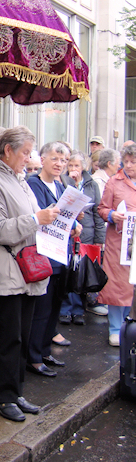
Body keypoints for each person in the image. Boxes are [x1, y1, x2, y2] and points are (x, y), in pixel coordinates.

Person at [0, 127, 60, 422]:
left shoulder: (20, 180)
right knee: (9, 339)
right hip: (7, 271)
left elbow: (32, 220)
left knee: (22, 335)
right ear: (8, 151)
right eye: (25, 153)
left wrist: (53, 217)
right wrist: (36, 219)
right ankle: (3, 397)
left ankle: (15, 391)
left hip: (27, 270)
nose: (28, 158)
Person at [26, 142, 81, 377]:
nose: (59, 164)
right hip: (43, 254)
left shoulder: (62, 184)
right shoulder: (33, 184)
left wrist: (75, 225)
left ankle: (45, 350)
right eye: (55, 159)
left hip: (62, 254)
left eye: (63, 160)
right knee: (41, 308)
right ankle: (34, 357)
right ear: (43, 159)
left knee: (54, 307)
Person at [58, 151, 105, 326]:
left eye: (76, 165)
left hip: (87, 233)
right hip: (69, 235)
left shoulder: (91, 184)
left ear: (83, 167)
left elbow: (98, 212)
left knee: (81, 272)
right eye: (70, 165)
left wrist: (99, 237)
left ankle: (78, 310)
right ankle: (65, 309)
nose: (73, 169)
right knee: (69, 270)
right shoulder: (63, 182)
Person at [97, 144, 136, 346]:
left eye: (133, 162)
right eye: (126, 162)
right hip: (119, 240)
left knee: (133, 284)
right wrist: (112, 215)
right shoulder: (114, 182)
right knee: (116, 284)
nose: (128, 166)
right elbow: (102, 208)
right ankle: (115, 328)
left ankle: (130, 325)